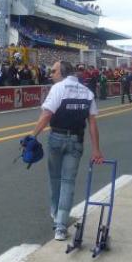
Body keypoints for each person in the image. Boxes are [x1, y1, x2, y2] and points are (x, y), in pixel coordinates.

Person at [29, 60, 105, 241]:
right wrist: (96, 150)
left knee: (55, 178)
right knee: (68, 182)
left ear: (62, 73)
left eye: (53, 71)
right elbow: (92, 123)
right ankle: (61, 227)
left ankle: (56, 215)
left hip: (56, 138)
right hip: (76, 140)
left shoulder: (58, 88)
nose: (51, 74)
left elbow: (46, 114)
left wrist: (32, 136)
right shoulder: (87, 92)